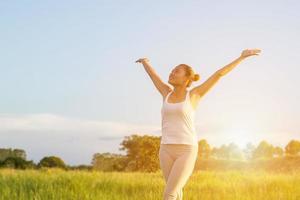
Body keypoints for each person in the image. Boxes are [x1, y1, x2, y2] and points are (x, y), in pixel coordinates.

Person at [135, 49, 261, 200]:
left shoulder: (194, 95)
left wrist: (241, 58)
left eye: (177, 71)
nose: (171, 73)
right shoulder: (166, 92)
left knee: (169, 195)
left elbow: (218, 75)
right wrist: (145, 62)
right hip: (166, 149)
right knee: (176, 192)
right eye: (172, 71)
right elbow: (153, 75)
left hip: (186, 150)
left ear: (187, 78)